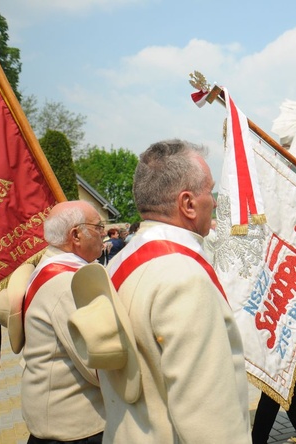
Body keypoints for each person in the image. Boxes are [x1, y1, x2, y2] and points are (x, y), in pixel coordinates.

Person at [101, 139, 251, 442]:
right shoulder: (184, 278)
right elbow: (209, 417)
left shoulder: (118, 263)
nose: (216, 201)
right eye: (209, 190)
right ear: (188, 204)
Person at [21, 201, 106, 443]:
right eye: (99, 226)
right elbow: (97, 359)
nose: (103, 232)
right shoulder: (67, 282)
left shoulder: (52, 267)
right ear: (76, 235)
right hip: (74, 427)